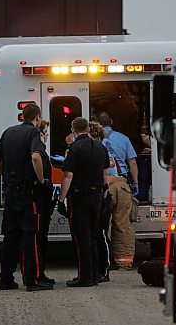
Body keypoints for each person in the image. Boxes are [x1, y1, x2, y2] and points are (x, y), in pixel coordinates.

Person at [0, 103, 53, 292]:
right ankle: (32, 279)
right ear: (38, 117)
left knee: (10, 236)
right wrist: (41, 181)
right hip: (28, 194)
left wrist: (6, 175)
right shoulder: (33, 133)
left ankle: (6, 279)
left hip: (11, 192)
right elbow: (36, 157)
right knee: (30, 234)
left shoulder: (8, 132)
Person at [58, 117, 110, 287]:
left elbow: (68, 175)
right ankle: (95, 275)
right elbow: (105, 176)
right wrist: (103, 196)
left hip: (80, 197)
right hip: (97, 197)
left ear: (73, 129)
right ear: (88, 128)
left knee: (82, 237)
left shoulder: (76, 148)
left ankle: (85, 277)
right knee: (94, 235)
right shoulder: (101, 148)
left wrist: (61, 198)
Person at [97, 112, 137, 269]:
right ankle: (124, 261)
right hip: (121, 183)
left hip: (103, 183)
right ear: (111, 122)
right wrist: (136, 183)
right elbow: (132, 162)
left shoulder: (93, 138)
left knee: (100, 223)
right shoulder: (123, 138)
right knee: (122, 223)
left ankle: (103, 259)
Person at [88, 121, 115, 283]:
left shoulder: (103, 150)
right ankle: (96, 268)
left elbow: (112, 175)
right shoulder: (95, 149)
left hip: (103, 196)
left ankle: (104, 270)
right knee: (95, 234)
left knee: (101, 234)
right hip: (98, 195)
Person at [35, 119, 56, 285]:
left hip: (41, 200)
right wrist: (43, 181)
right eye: (46, 133)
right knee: (39, 238)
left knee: (40, 238)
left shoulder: (41, 149)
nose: (47, 136)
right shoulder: (38, 148)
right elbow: (35, 158)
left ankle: (39, 273)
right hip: (39, 200)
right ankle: (38, 275)